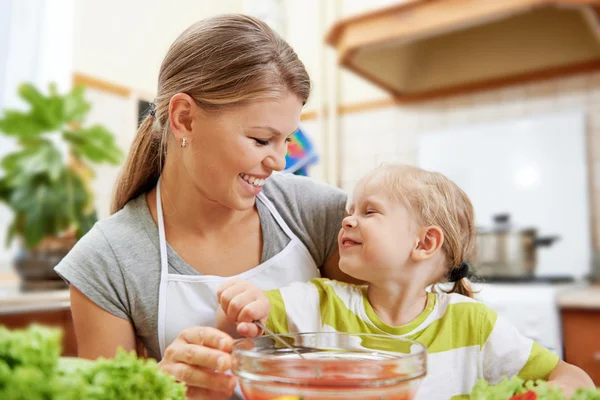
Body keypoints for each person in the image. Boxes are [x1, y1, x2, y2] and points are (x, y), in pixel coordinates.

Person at [54, 14, 355, 400]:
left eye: (287, 140)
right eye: (262, 140)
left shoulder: (319, 213)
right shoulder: (107, 261)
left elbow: (400, 319)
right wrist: (162, 389)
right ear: (185, 119)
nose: (279, 161)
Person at [217, 164, 595, 399]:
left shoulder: (474, 325)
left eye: (370, 212)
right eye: (349, 211)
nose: (347, 220)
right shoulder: (320, 301)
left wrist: (558, 392)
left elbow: (572, 375)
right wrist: (250, 301)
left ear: (425, 243)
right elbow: (248, 325)